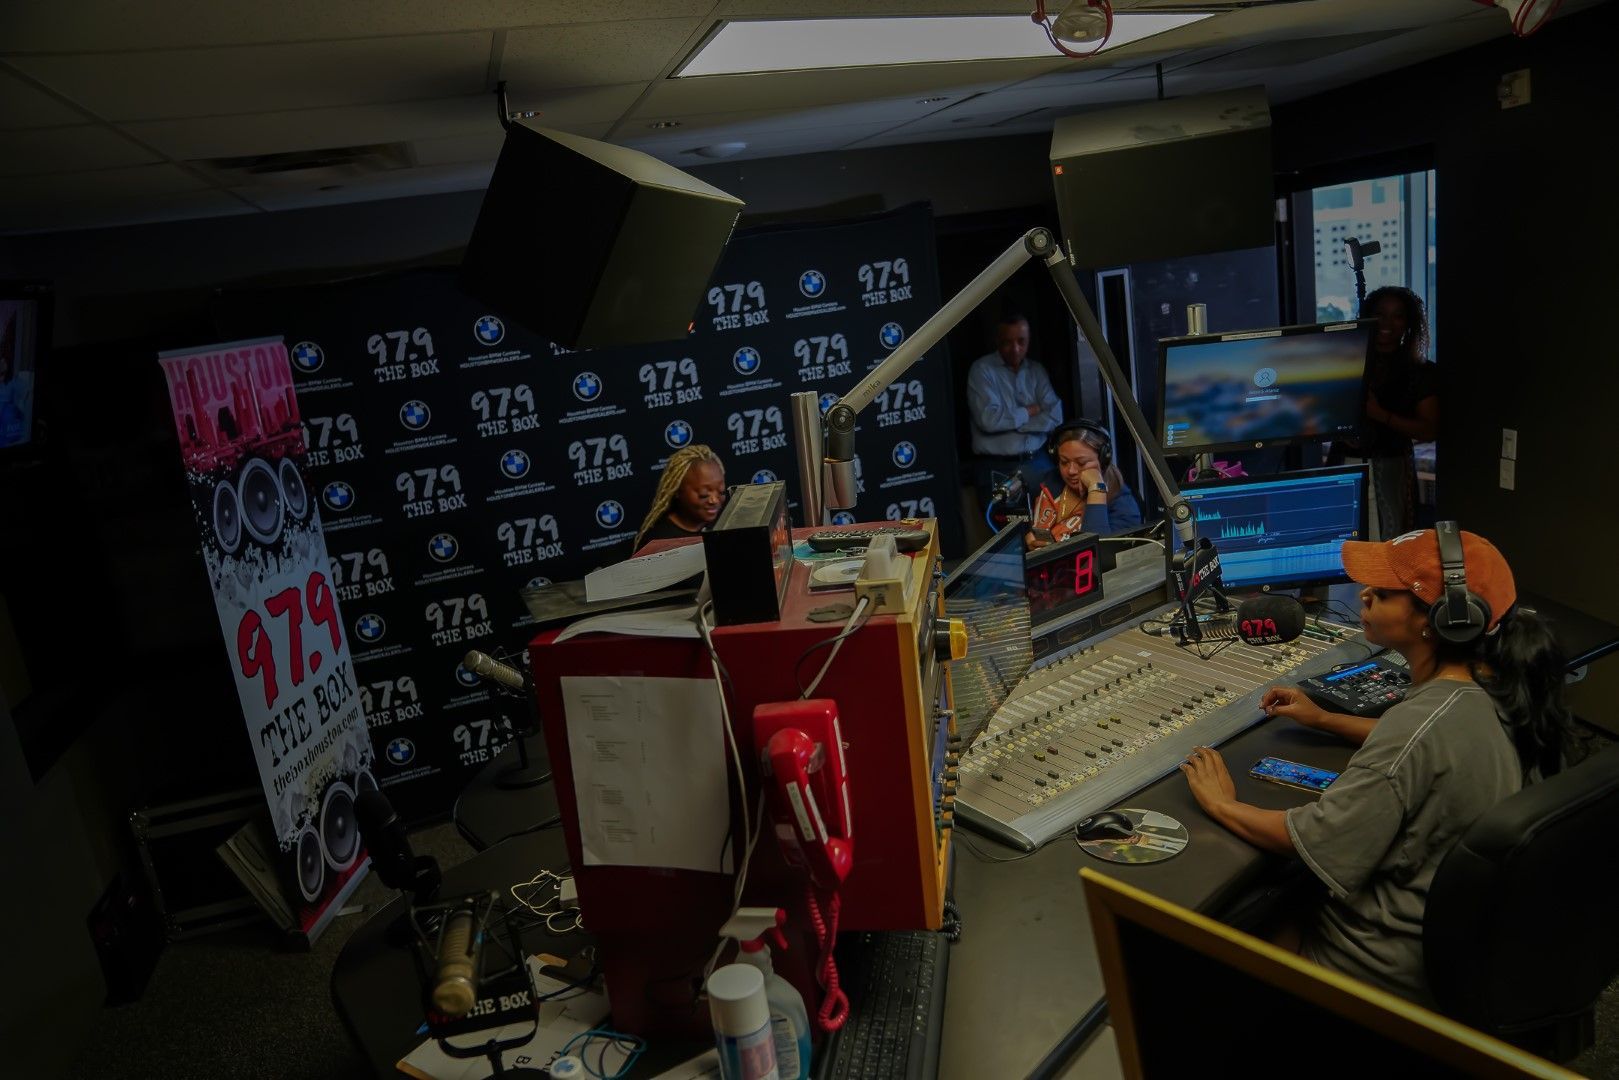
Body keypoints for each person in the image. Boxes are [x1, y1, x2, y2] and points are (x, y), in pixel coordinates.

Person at [1179, 525, 1569, 1006]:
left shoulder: (1417, 728)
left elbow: (1308, 838)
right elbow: (1430, 751)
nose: (1363, 595)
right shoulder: (1497, 686)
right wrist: (1326, 719)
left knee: (1211, 932)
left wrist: (1222, 804)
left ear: (1442, 620)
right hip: (1461, 946)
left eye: (1383, 593)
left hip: (1371, 970)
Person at [1329, 286, 1437, 538]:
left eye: (1397, 315)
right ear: (1367, 318)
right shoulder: (1346, 363)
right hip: (1343, 464)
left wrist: (1380, 414)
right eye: (1380, 314)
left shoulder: (1421, 371)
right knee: (1340, 543)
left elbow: (1429, 429)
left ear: (1408, 323)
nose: (1387, 323)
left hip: (1392, 468)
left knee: (1390, 544)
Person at [966, 309, 1063, 511]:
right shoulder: (982, 370)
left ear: (1029, 340)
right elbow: (989, 420)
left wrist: (1014, 424)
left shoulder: (1036, 370)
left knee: (1051, 525)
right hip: (998, 467)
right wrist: (1029, 411)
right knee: (1009, 536)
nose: (1015, 349)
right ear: (997, 341)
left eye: (1021, 341)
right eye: (1007, 342)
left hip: (1038, 460)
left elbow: (1055, 416)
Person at [1026, 421, 1142, 549]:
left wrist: (1096, 489)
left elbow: (1099, 552)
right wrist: (1029, 541)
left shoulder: (1123, 505)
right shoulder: (1049, 482)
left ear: (1104, 459)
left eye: (1082, 463)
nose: (1071, 471)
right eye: (1064, 462)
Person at [632, 444, 727, 549]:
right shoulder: (659, 543)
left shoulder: (725, 522)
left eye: (721, 492)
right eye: (703, 494)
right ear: (677, 490)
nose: (714, 500)